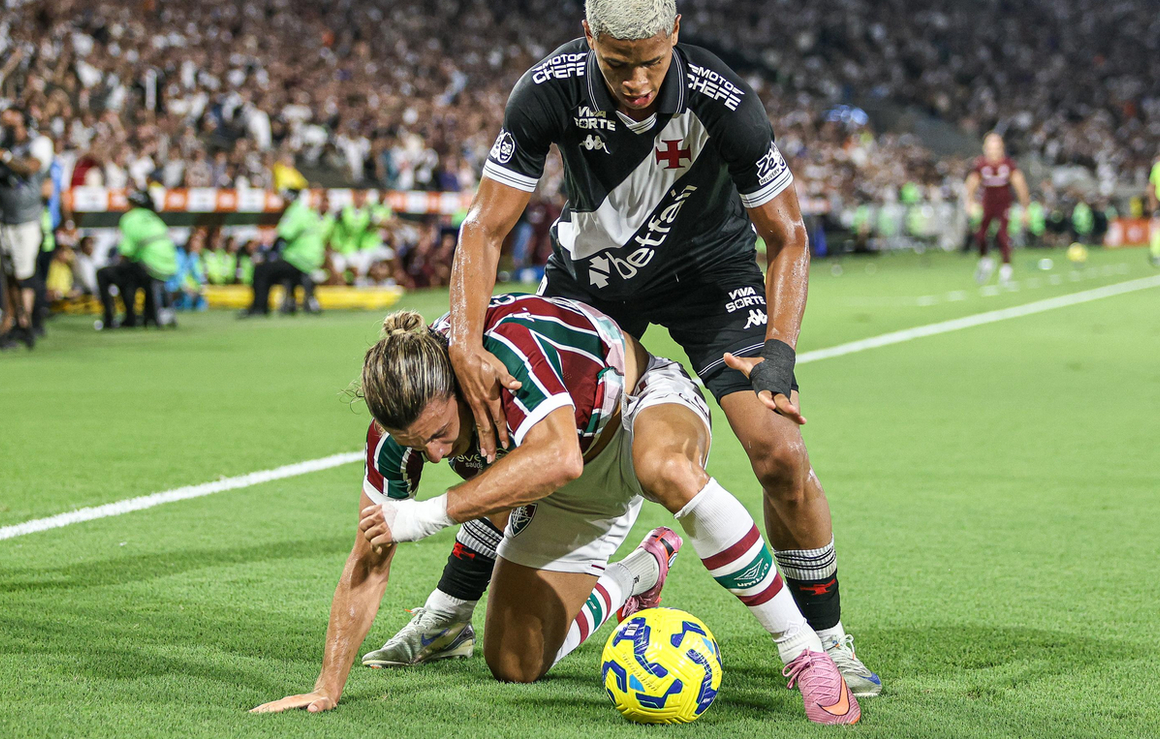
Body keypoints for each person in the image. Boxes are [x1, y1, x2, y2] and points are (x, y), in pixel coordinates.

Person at [386, 0, 880, 697]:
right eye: (619, 65)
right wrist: (463, 339)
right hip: (593, 276)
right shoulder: (546, 90)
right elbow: (483, 228)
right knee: (511, 431)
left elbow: (789, 237)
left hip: (712, 277)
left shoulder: (726, 101)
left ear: (675, 32)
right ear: (588, 37)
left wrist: (779, 350)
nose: (638, 81)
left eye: (651, 61)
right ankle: (448, 614)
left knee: (779, 451)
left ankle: (828, 641)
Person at [251, 294, 859, 724]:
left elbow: (559, 458)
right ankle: (637, 573)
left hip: (639, 409)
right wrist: (327, 686)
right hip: (567, 485)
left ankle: (803, 652)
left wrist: (426, 514)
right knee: (514, 663)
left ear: (458, 382)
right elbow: (369, 558)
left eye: (439, 433)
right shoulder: (397, 436)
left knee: (665, 469)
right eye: (416, 444)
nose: (433, 454)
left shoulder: (506, 350)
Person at [0, 105, 54, 350]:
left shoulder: (39, 143)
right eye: (4, 124)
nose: (7, 129)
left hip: (25, 219)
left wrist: (4, 157)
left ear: (26, 125)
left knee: (17, 274)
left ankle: (12, 325)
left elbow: (31, 167)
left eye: (13, 125)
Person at [96, 188, 179, 329]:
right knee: (128, 274)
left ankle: (111, 319)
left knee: (105, 274)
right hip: (169, 267)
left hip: (150, 266)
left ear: (132, 204)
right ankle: (138, 317)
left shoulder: (130, 218)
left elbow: (126, 252)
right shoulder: (154, 218)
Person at [239, 188, 323, 317]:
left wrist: (266, 255)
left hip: (298, 261)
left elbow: (283, 236)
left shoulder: (295, 212)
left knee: (261, 270)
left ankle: (259, 308)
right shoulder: (306, 212)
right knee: (269, 268)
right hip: (311, 260)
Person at [966, 132, 1030, 284]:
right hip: (987, 204)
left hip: (1003, 205)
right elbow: (971, 184)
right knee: (981, 234)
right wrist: (970, 202)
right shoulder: (981, 165)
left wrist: (1025, 208)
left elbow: (1020, 185)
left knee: (1003, 236)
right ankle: (985, 260)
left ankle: (1006, 268)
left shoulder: (1007, 165)